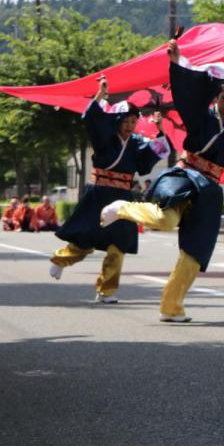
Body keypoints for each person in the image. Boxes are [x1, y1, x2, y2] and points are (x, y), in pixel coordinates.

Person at [101, 38, 224, 322]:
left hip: (210, 187)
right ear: (216, 98)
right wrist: (175, 62)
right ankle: (122, 208)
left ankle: (171, 306)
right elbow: (186, 94)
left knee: (196, 250)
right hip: (186, 175)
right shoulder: (201, 115)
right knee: (165, 220)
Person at [48, 76, 170, 303]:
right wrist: (100, 95)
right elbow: (92, 118)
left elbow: (160, 151)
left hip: (123, 198)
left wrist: (159, 128)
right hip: (99, 194)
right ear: (116, 121)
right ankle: (60, 259)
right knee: (85, 240)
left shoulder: (137, 143)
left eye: (133, 122)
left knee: (118, 247)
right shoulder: (105, 138)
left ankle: (106, 291)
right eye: (125, 121)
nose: (130, 126)